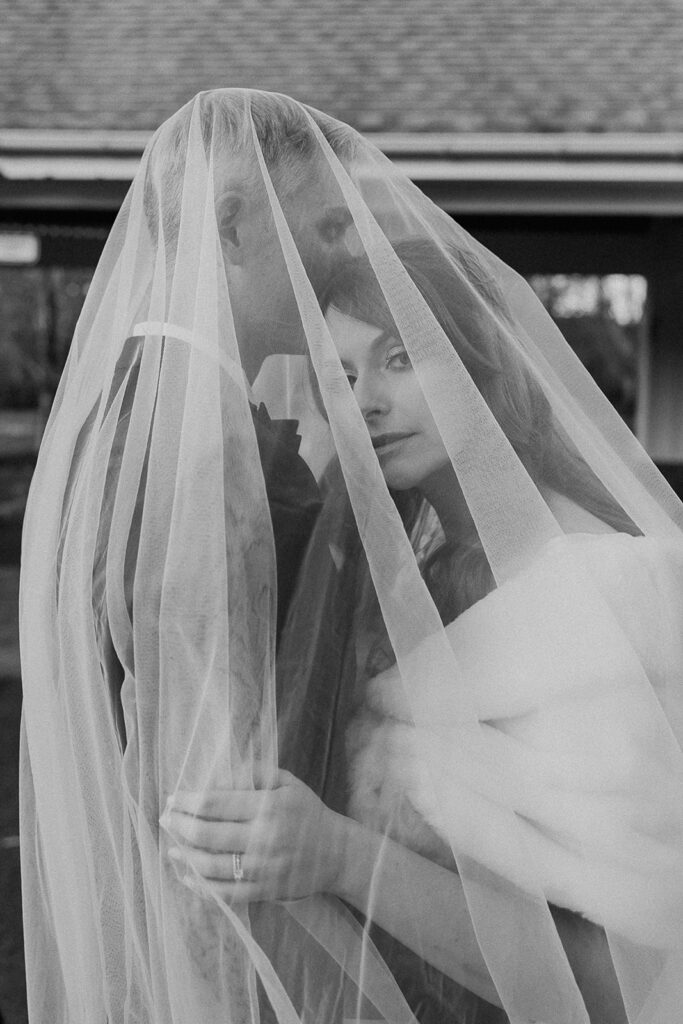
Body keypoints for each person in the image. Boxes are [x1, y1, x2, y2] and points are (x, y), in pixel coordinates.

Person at [21, 90, 683, 1024]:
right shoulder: (403, 589)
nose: (364, 401)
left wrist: (338, 854)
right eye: (340, 373)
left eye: (403, 359)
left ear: (490, 363)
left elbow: (618, 984)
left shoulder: (609, 606)